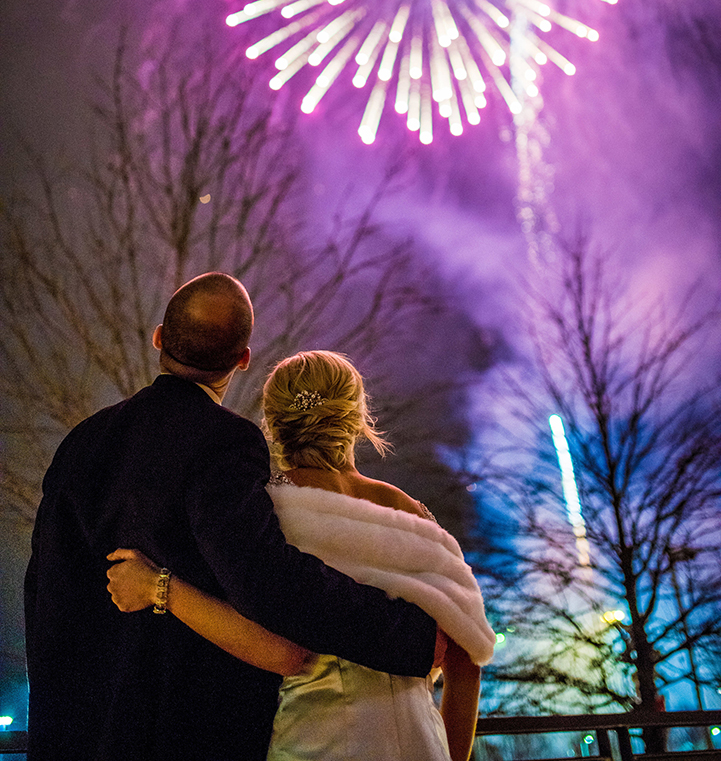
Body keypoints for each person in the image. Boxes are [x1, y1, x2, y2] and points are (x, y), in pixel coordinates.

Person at [24, 275, 439, 761]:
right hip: (184, 731)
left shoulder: (82, 442)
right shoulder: (223, 442)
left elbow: (44, 592)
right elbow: (267, 581)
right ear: (242, 359)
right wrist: (407, 636)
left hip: (83, 734)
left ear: (159, 337)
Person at [107, 350, 496, 761]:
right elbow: (467, 656)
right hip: (421, 745)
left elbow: (264, 645)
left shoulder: (262, 514)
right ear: (357, 416)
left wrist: (159, 586)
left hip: (316, 743)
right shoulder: (413, 514)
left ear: (273, 424)